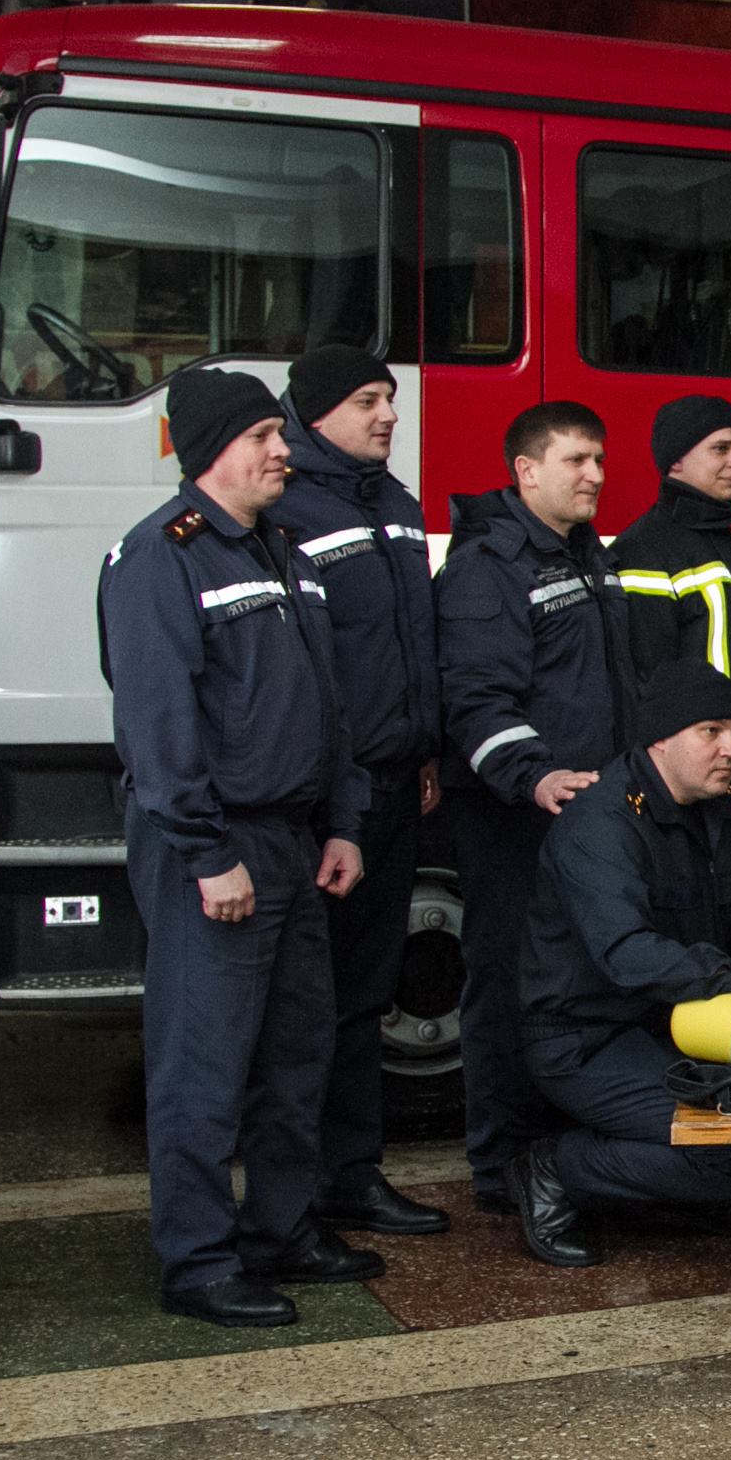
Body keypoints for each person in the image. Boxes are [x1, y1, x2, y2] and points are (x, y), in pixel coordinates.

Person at [99, 368, 375, 1327]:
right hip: (213, 846)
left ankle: (281, 1231)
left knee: (295, 1053)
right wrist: (207, 852)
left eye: (281, 433)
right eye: (263, 434)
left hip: (294, 841)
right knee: (203, 1064)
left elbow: (328, 708)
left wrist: (341, 820)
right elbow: (159, 725)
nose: (283, 451)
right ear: (210, 446)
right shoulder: (159, 559)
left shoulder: (288, 551)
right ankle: (200, 1261)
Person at [509, 660, 731, 1269]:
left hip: (680, 1024)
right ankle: (554, 1168)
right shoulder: (601, 822)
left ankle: (690, 1190)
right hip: (587, 1037)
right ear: (659, 738)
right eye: (711, 732)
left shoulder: (720, 811)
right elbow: (627, 956)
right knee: (729, 1151)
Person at [267, 344, 450, 1238]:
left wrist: (424, 751)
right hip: (331, 799)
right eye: (371, 401)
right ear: (319, 410)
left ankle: (351, 1173)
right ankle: (300, 1189)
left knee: (365, 992)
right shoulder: (287, 507)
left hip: (395, 781)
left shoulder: (397, 502)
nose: (388, 415)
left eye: (391, 400)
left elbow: (409, 646)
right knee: (314, 998)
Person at [437, 401, 636, 1213]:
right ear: (526, 470)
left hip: (588, 816)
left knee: (575, 988)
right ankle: (500, 1170)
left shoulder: (587, 553)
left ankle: (559, 1159)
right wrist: (532, 775)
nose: (595, 475)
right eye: (576, 461)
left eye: (599, 459)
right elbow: (477, 694)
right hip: (518, 816)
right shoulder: (491, 563)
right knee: (508, 983)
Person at [612, 396, 731, 861]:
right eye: (721, 448)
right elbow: (646, 687)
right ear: (676, 460)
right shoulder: (643, 552)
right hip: (687, 804)